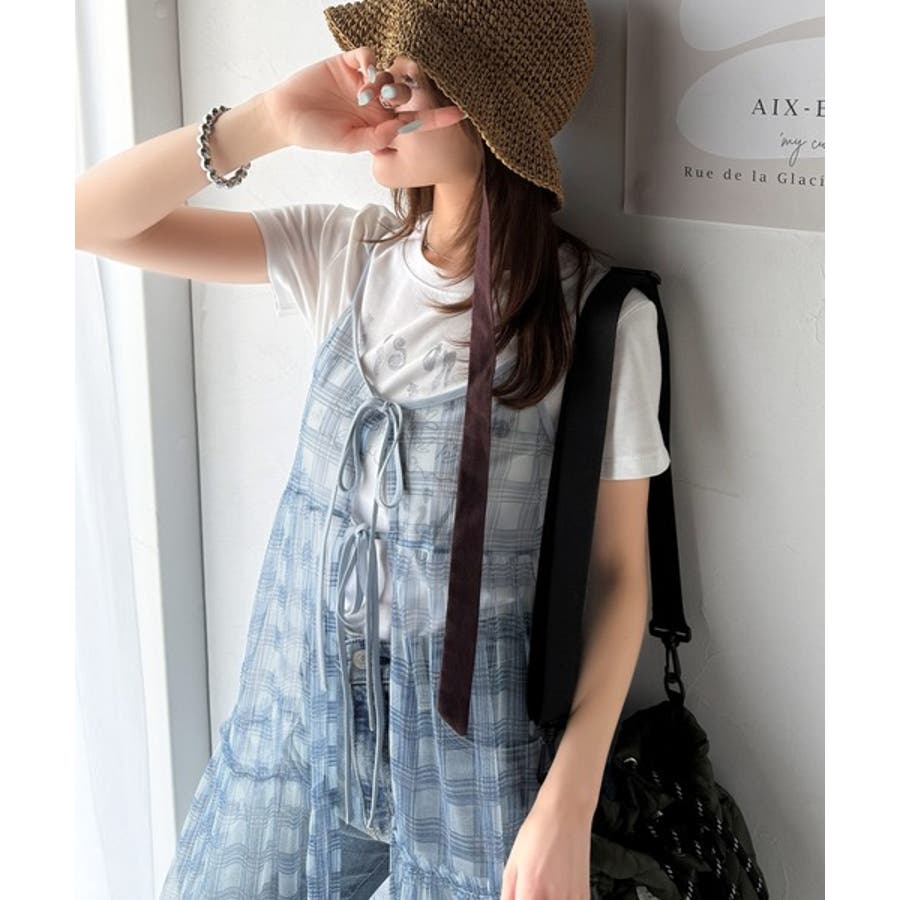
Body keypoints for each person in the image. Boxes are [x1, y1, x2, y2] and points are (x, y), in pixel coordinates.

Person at [75, 2, 671, 896]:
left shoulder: (597, 317)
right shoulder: (348, 254)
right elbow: (87, 220)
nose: (374, 99)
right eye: (377, 71)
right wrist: (268, 120)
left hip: (473, 751)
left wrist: (567, 800)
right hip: (302, 709)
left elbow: (621, 576)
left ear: (484, 109)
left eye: (405, 79)